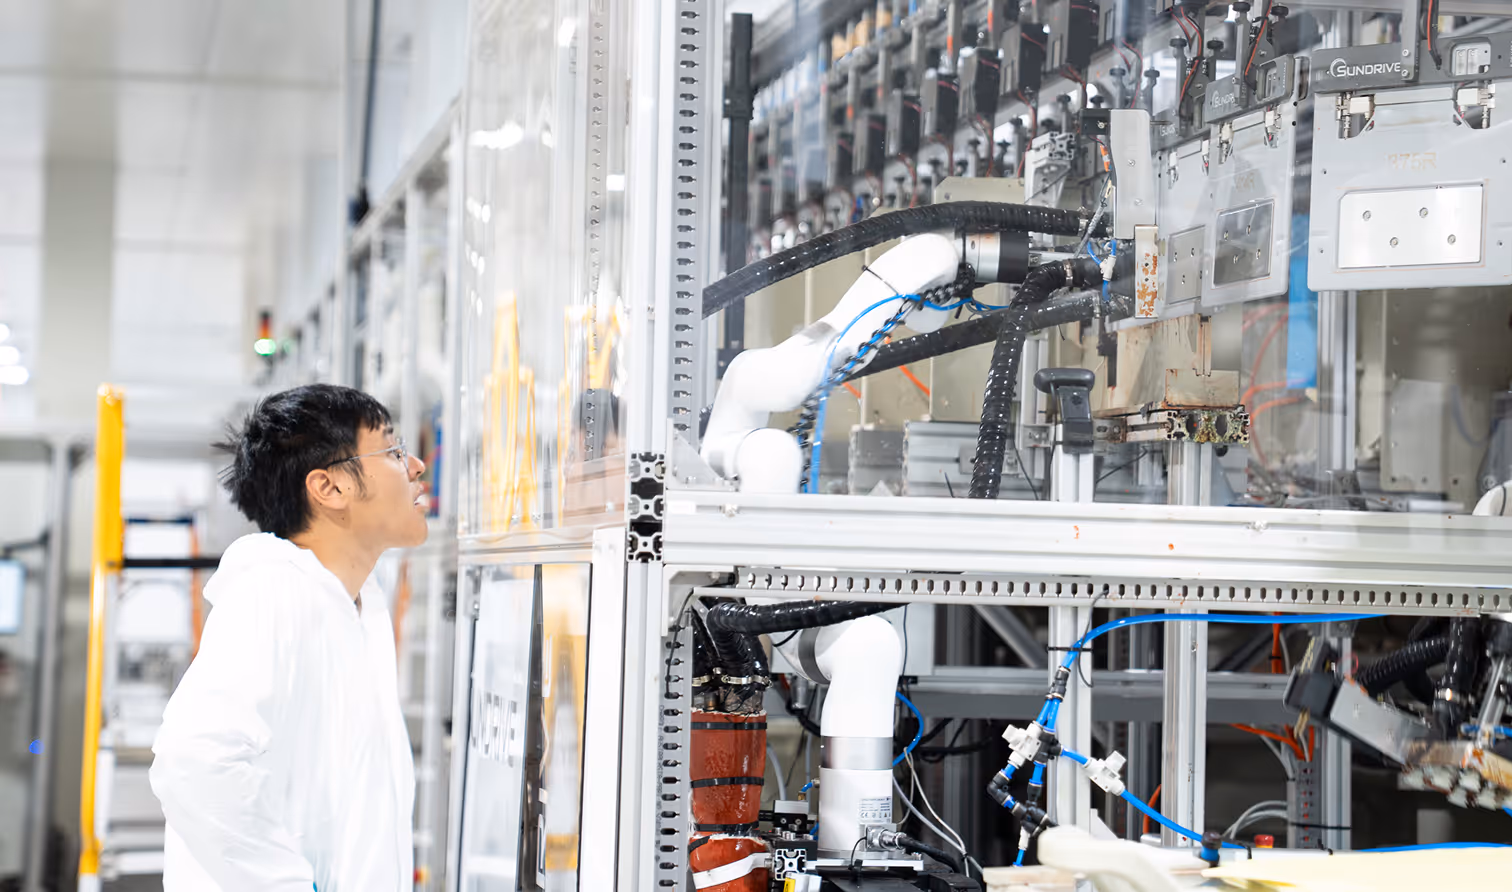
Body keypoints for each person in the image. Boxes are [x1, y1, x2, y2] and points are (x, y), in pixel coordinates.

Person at [150, 384, 428, 891]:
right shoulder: (272, 591)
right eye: (391, 450)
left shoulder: (360, 605)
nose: (416, 466)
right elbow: (193, 763)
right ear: (329, 488)